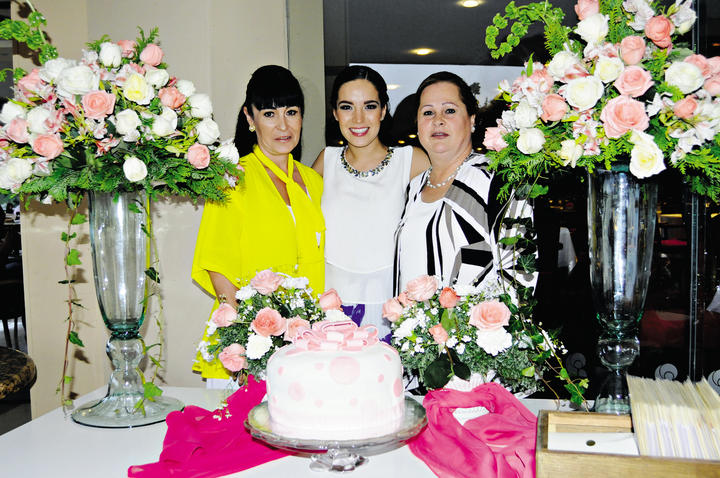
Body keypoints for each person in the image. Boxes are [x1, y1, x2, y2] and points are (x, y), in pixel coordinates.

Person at [192, 65, 325, 383]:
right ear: (249, 118)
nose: (283, 125)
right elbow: (216, 267)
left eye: (292, 112)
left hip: (304, 345)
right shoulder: (232, 177)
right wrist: (242, 338)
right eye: (269, 113)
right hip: (246, 350)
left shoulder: (313, 182)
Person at [313, 65, 428, 340]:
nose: (358, 118)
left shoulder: (411, 161)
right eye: (347, 106)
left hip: (393, 311)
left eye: (370, 106)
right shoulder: (325, 161)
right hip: (330, 313)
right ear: (334, 113)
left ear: (384, 111)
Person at [394, 71, 534, 292]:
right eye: (428, 112)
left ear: (471, 120)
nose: (438, 120)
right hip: (411, 323)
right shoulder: (414, 187)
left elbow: (521, 273)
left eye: (449, 110)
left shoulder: (497, 178)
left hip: (472, 325)